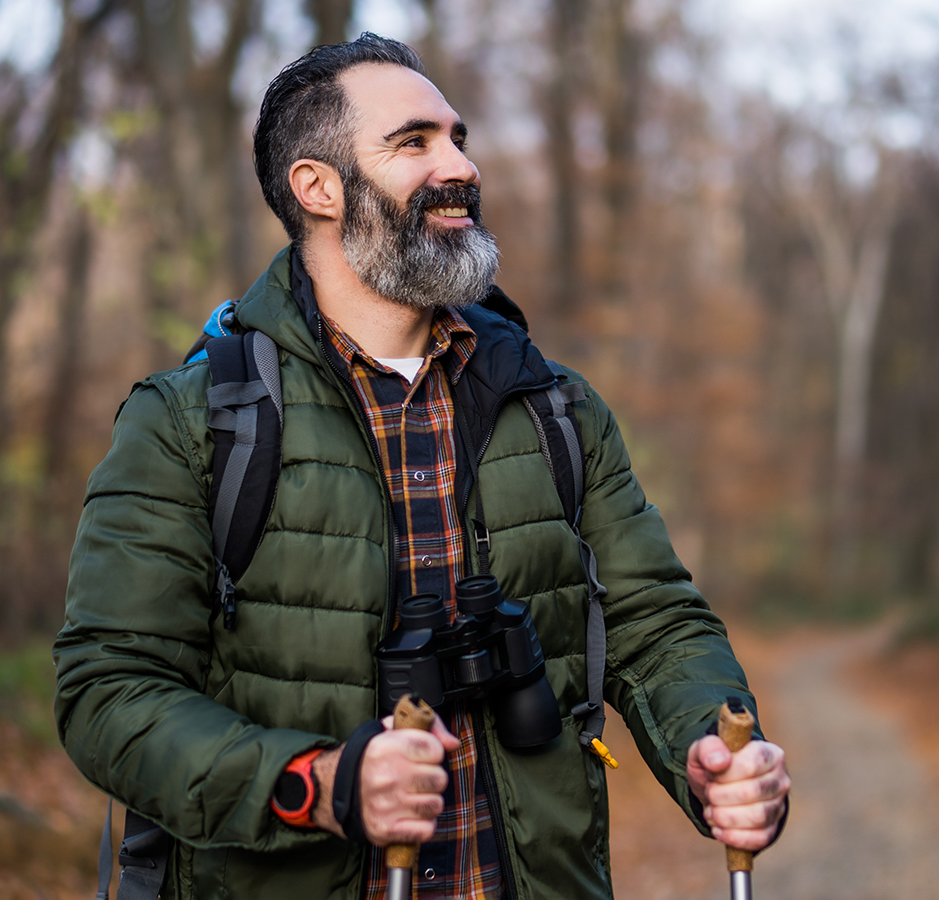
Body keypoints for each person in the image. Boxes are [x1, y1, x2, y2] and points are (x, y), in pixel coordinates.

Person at [54, 33, 790, 900]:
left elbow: (654, 625)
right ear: (317, 187)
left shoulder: (555, 406)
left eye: (459, 138)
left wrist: (710, 744)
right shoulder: (192, 422)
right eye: (414, 142)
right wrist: (316, 784)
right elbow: (108, 693)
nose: (460, 166)